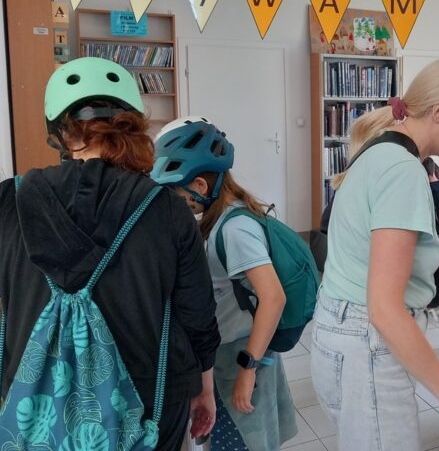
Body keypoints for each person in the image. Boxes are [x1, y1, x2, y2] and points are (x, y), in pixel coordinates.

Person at [0, 58, 220, 450]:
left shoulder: (8, 201)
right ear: (131, 124)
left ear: (59, 132)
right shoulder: (167, 208)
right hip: (149, 404)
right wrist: (205, 389)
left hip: (33, 402)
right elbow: (197, 315)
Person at [310, 57, 439, 450]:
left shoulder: (381, 150)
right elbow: (384, 309)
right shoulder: (402, 170)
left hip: (341, 330)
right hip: (366, 343)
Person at [151, 117, 298, 450]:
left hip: (242, 358)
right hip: (228, 357)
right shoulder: (217, 220)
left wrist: (248, 368)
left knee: (242, 443)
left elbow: (273, 298)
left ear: (200, 186)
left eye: (176, 194)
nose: (175, 203)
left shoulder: (234, 229)